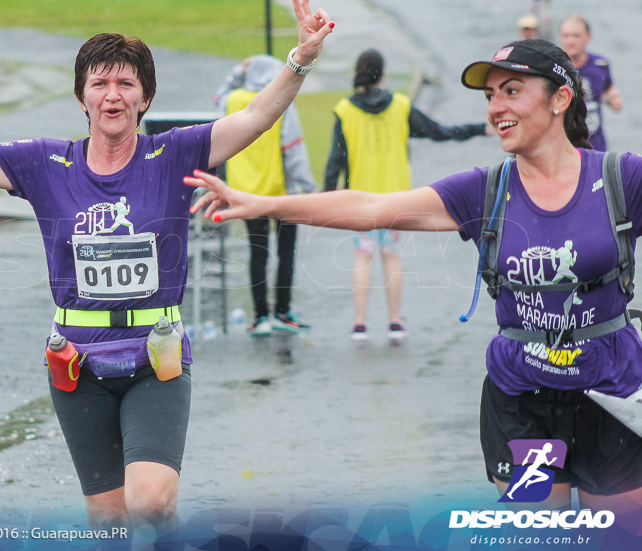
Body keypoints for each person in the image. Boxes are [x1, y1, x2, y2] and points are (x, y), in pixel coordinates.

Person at [0, 0, 334, 536]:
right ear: (82, 97)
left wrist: (300, 60)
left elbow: (256, 119)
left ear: (145, 97)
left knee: (151, 503)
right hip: (77, 364)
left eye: (126, 83)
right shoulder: (46, 164)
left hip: (156, 358)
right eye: (100, 83)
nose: (113, 94)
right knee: (108, 518)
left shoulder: (173, 155)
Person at [186, 38, 642, 516]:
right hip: (522, 401)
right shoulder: (486, 191)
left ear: (560, 99)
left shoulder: (618, 180)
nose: (496, 108)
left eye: (511, 91)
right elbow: (371, 207)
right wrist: (268, 205)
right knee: (538, 533)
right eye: (490, 97)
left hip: (610, 392)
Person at [324, 49, 489, 342]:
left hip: (359, 198)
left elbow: (335, 160)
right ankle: (395, 321)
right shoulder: (400, 106)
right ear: (383, 74)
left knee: (363, 256)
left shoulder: (344, 110)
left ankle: (360, 324)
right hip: (396, 200)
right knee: (390, 256)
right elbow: (439, 131)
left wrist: (325, 198)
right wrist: (478, 128)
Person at [215, 54, 317, 337]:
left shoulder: (233, 102)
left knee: (257, 254)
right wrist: (308, 189)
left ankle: (260, 316)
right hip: (282, 193)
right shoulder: (280, 104)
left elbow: (218, 95)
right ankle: (282, 312)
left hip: (246, 192)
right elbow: (293, 149)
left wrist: (240, 68)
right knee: (286, 253)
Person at [558, 13, 622, 152]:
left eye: (576, 36)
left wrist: (614, 100)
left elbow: (609, 90)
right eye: (566, 36)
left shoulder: (600, 64)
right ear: (560, 38)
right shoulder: (554, 67)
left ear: (588, 37)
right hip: (564, 146)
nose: (570, 41)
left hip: (596, 144)